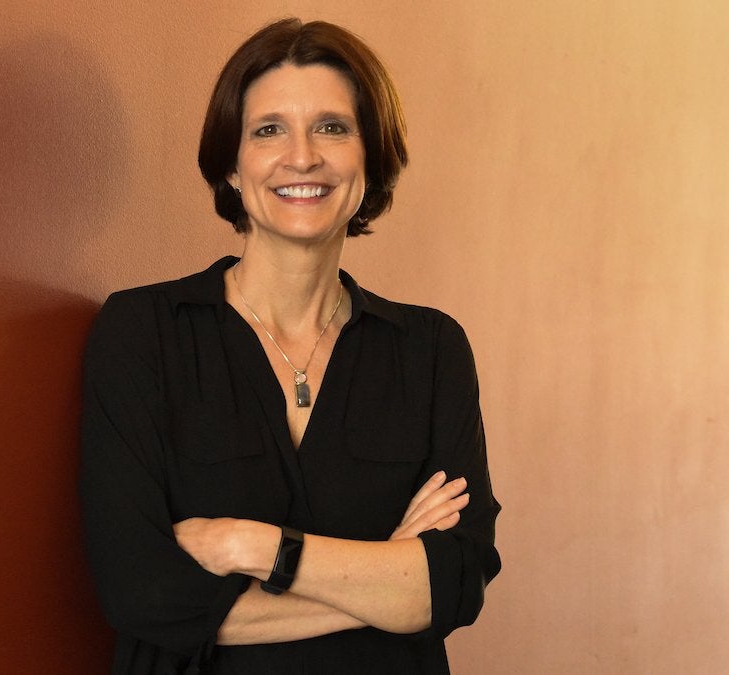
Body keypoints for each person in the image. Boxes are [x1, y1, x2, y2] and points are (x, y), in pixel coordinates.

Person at [80, 17, 500, 674]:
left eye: (332, 127)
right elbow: (146, 595)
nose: (301, 156)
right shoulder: (143, 332)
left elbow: (458, 581)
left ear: (371, 156)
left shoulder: (430, 350)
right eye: (268, 129)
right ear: (231, 163)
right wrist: (388, 579)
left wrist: (254, 546)